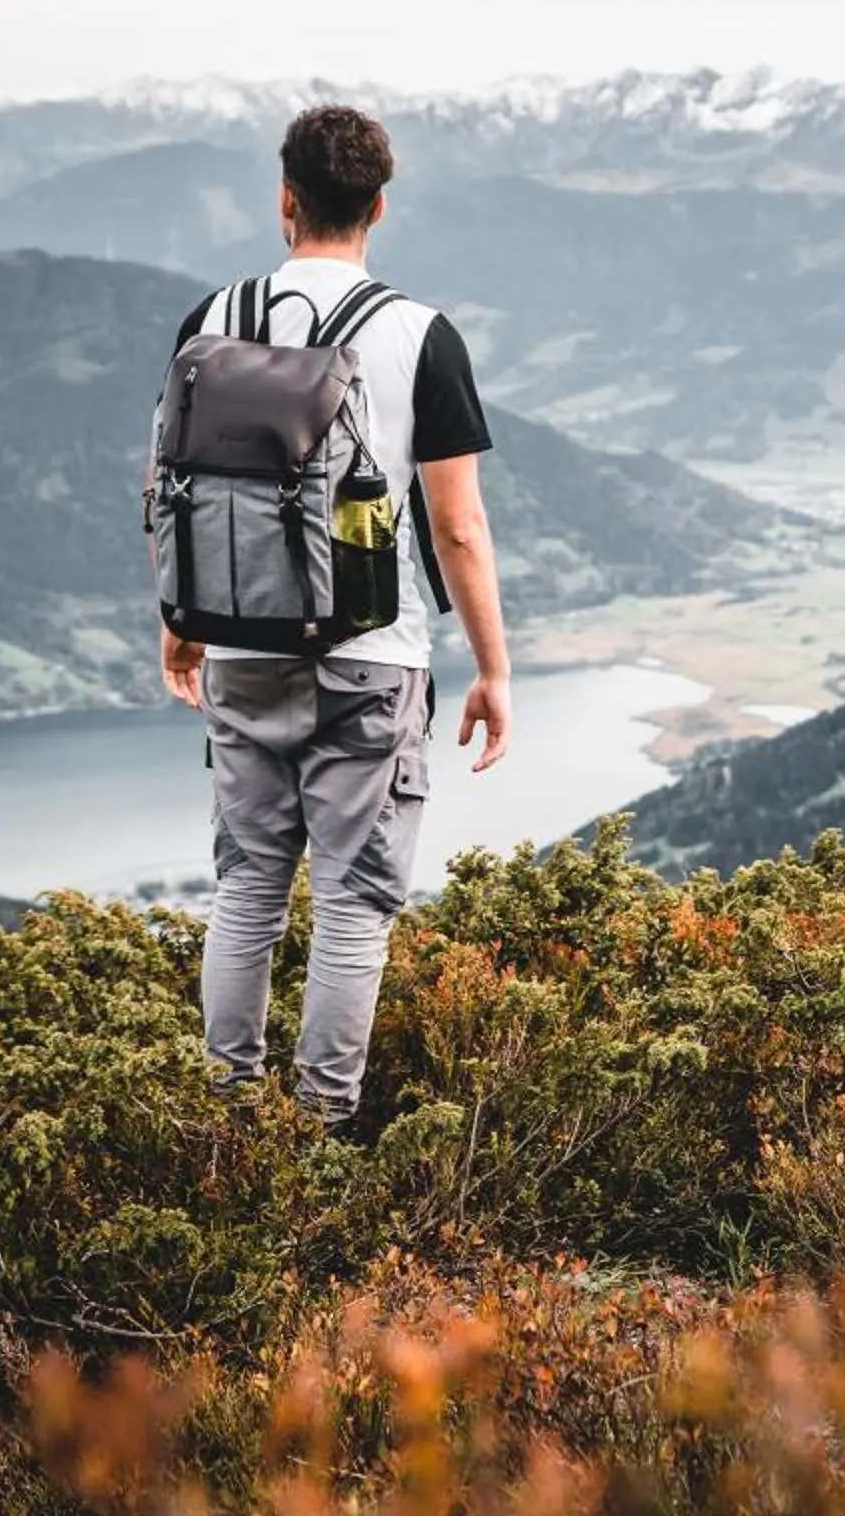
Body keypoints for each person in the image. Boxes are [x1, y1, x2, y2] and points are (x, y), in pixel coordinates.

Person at [158, 104, 514, 1132]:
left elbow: (169, 481)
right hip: (373, 658)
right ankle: (316, 1142)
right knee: (354, 904)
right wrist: (493, 669)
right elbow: (458, 527)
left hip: (239, 646)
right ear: (379, 208)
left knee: (247, 888)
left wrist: (179, 617)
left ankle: (229, 1121)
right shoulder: (418, 335)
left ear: (285, 200)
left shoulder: (211, 319)